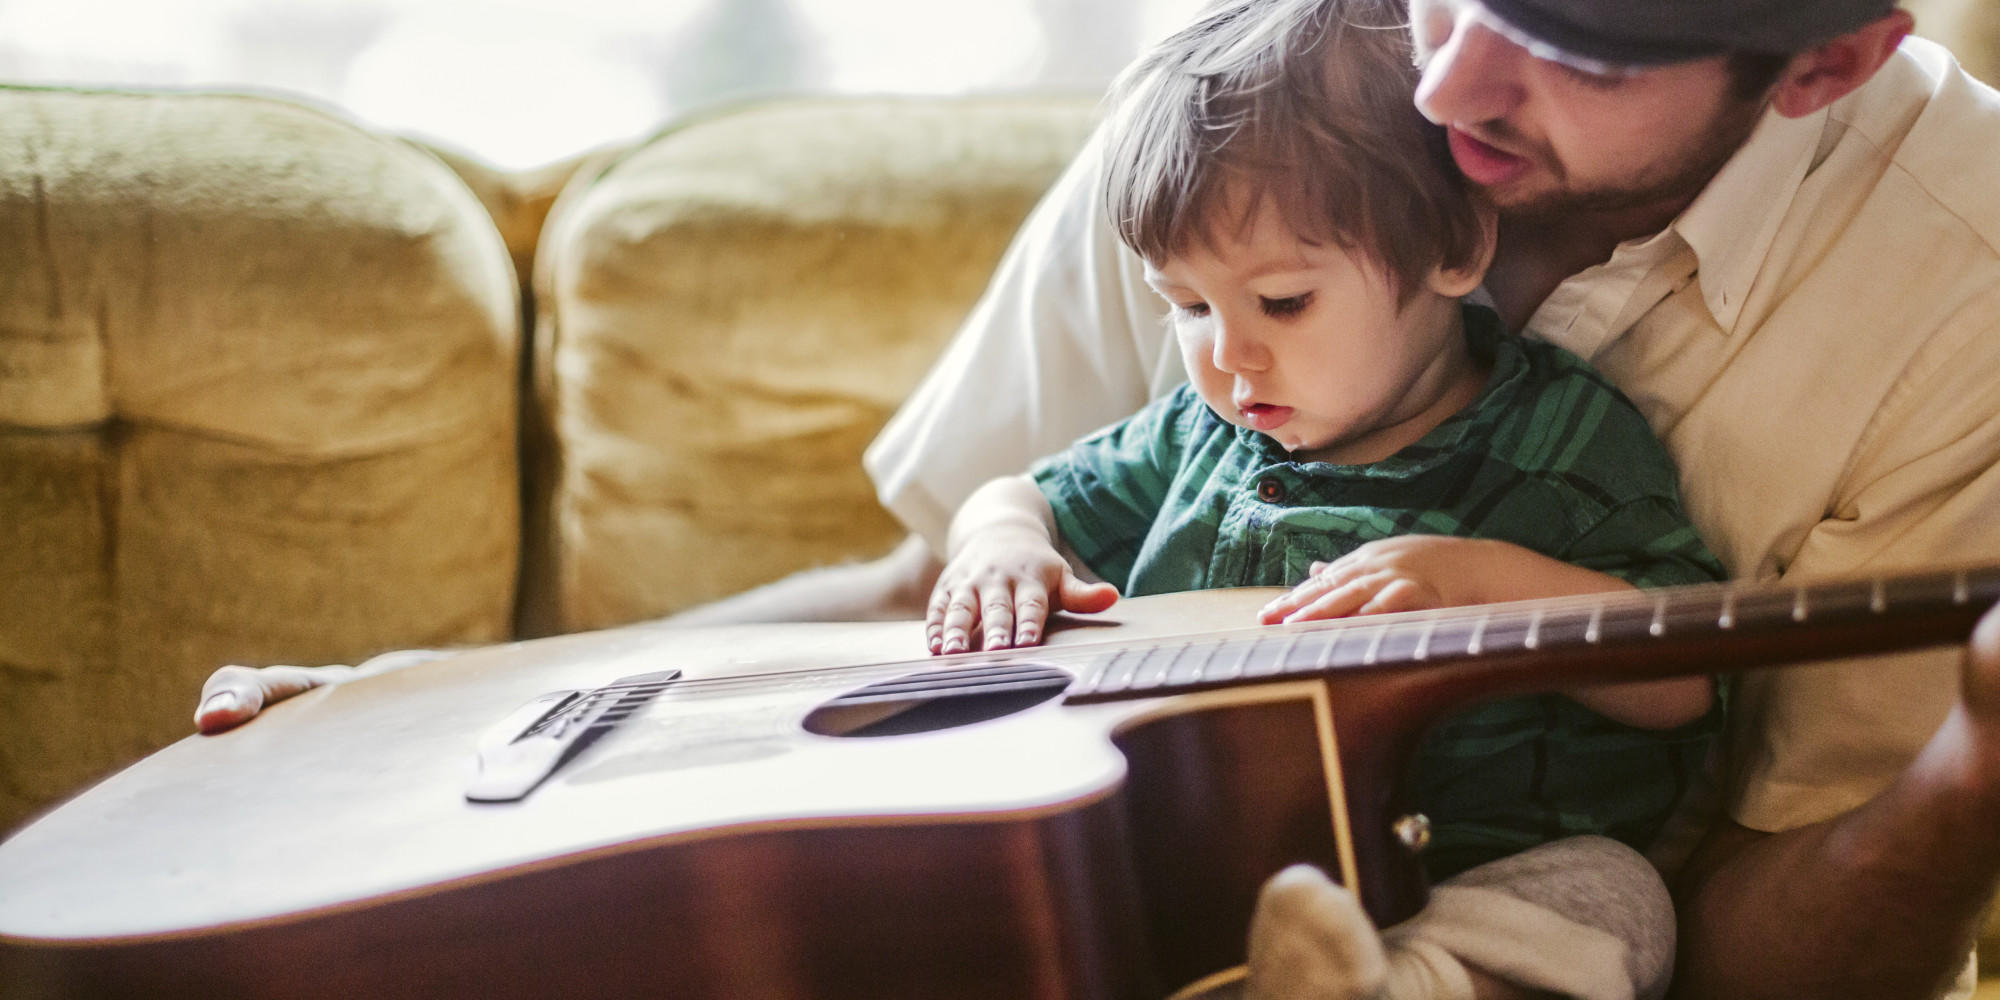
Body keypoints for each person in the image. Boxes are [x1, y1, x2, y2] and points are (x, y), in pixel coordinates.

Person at [195, 0, 2000, 996]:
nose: (1445, 74)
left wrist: (1973, 779)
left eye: (1573, 38)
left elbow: (1776, 915)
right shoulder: (1265, 97)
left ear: (1825, 58)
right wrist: (433, 707)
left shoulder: (1961, 291)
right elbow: (933, 589)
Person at [929, 5, 1724, 998]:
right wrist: (1000, 541)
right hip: (1207, 856)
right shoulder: (1201, 430)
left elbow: (1686, 676)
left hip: (1461, 870)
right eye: (1186, 306)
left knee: (1618, 896)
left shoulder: (1556, 440)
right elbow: (1024, 495)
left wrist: (1477, 581)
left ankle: (1390, 986)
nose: (1227, 355)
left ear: (1453, 246)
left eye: (1283, 301)